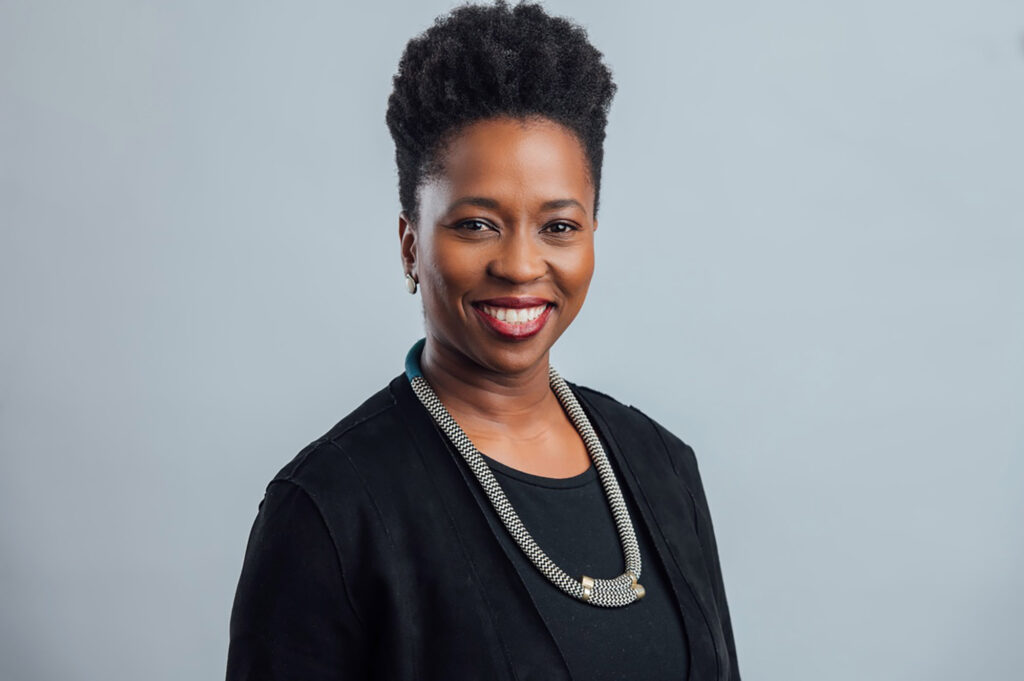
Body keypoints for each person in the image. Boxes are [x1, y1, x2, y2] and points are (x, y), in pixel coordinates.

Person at [226, 2, 741, 679]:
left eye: (558, 227)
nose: (521, 266)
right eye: (476, 225)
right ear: (411, 245)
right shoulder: (329, 510)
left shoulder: (663, 465)